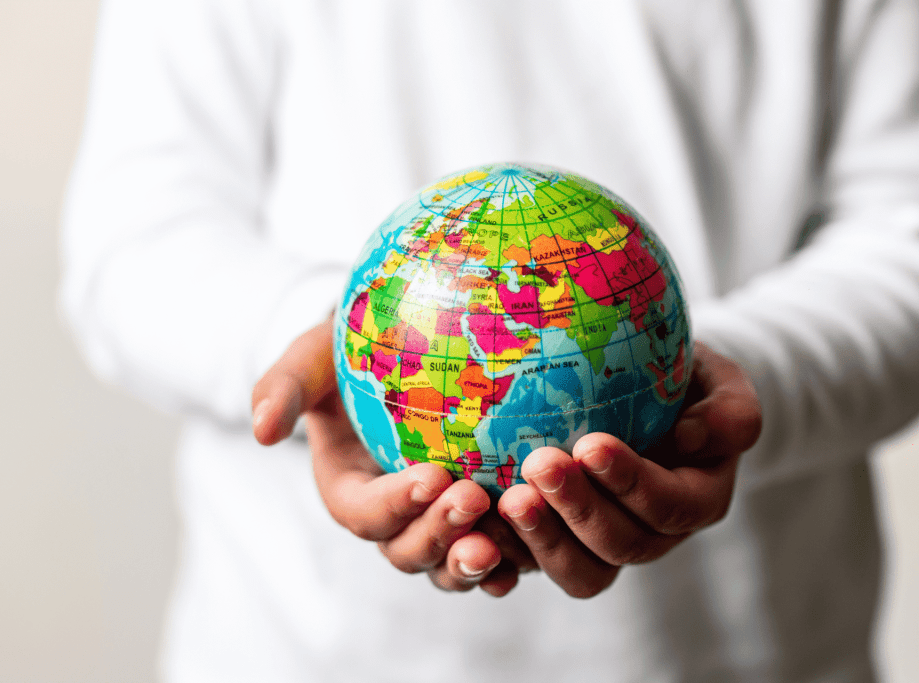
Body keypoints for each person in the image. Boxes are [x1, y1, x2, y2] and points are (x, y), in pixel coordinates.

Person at [61, 0, 919, 680]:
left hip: (752, 651)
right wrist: (331, 341)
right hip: (301, 650)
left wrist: (736, 385)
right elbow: (132, 243)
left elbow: (902, 233)